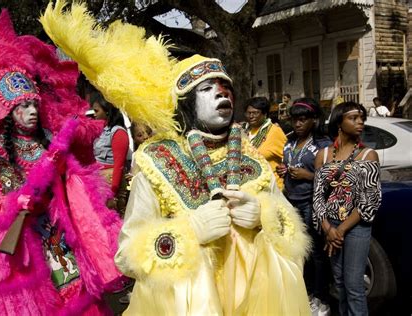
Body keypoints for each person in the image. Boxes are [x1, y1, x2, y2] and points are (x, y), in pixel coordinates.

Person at [42, 5, 311, 314]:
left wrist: (263, 216)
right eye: (209, 89)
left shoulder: (251, 157)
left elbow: (292, 233)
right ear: (186, 104)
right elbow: (128, 254)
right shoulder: (158, 161)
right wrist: (190, 231)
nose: (222, 95)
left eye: (226, 89)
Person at [0, 6, 123, 315]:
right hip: (17, 247)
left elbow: (73, 186)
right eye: (23, 107)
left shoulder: (50, 142)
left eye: (34, 104)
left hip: (58, 236)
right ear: (8, 113)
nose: (32, 111)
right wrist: (13, 204)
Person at [313, 102, 381, 316]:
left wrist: (340, 230)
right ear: (339, 122)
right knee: (340, 284)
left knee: (354, 287)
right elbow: (317, 196)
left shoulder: (368, 155)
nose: (360, 122)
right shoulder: (323, 155)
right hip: (330, 227)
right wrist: (327, 228)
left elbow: (370, 200)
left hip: (355, 227)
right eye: (354, 118)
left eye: (362, 118)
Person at [276, 98, 332, 315]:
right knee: (299, 252)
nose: (298, 124)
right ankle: (306, 292)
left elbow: (329, 178)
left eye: (302, 120)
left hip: (311, 202)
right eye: (294, 120)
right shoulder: (289, 142)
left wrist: (307, 175)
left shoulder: (322, 144)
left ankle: (322, 297)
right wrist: (285, 169)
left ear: (313, 120)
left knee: (317, 253)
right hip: (291, 202)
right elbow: (290, 164)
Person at [88, 88, 131, 213]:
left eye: (97, 111)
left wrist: (112, 192)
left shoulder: (118, 132)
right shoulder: (100, 131)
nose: (94, 114)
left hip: (110, 182)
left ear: (107, 111)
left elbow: (119, 165)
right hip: (99, 181)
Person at [243, 96, 287, 187]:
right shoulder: (244, 132)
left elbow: (288, 156)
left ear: (265, 114)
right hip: (250, 186)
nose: (251, 116)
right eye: (248, 113)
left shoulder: (275, 131)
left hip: (272, 186)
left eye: (255, 113)